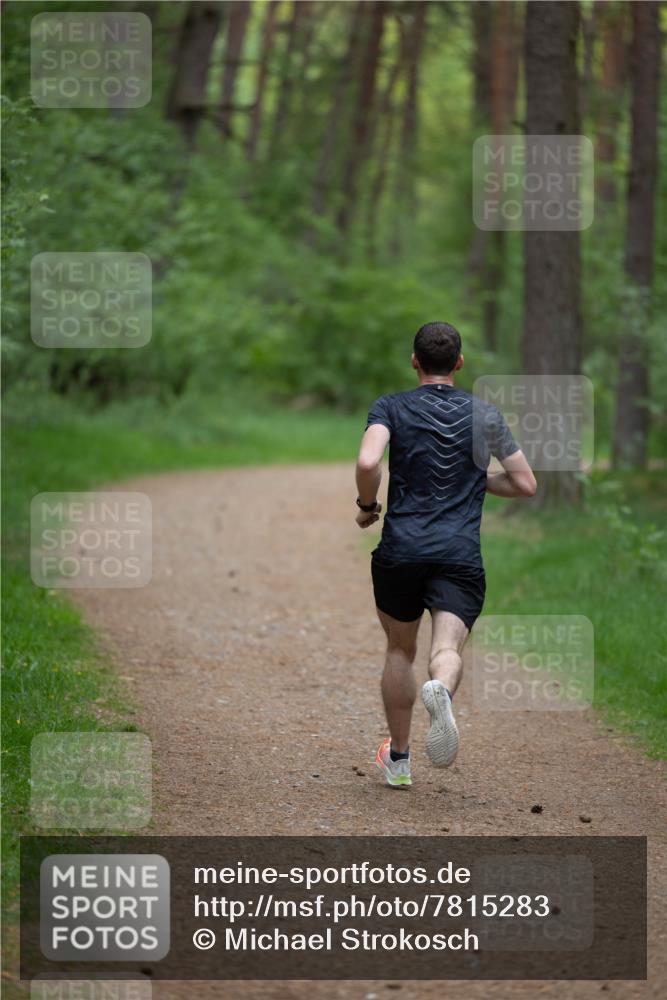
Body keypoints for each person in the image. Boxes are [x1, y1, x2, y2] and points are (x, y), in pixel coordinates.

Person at [355, 322, 537, 788]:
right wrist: (477, 480)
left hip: (401, 550)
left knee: (399, 648)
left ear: (414, 361)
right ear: (459, 363)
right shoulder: (486, 415)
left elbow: (368, 462)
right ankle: (443, 692)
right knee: (446, 648)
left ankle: (399, 761)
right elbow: (525, 484)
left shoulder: (390, 407)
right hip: (458, 553)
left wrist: (367, 506)